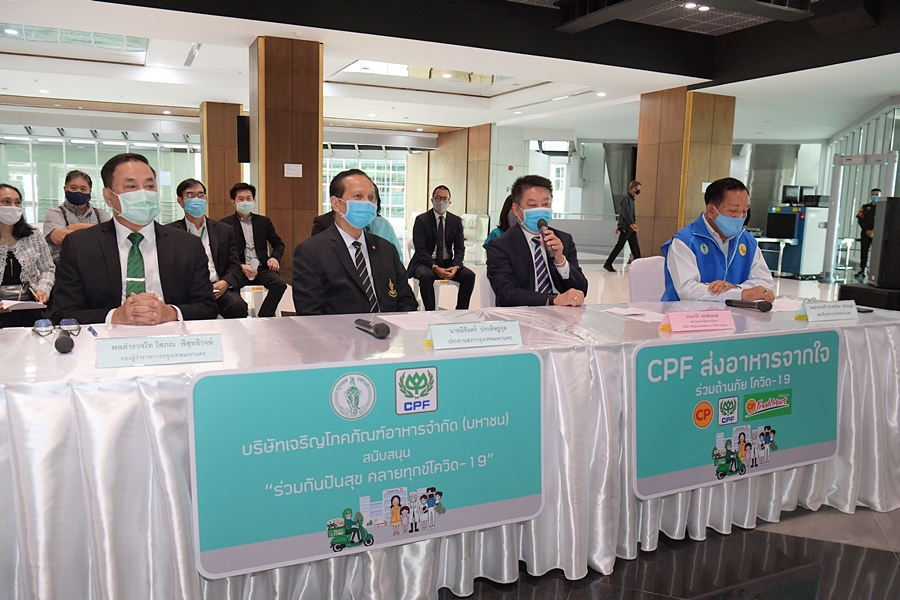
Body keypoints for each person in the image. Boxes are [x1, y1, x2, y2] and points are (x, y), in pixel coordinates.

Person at [50, 153, 217, 325]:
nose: (143, 194)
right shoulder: (80, 246)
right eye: (131, 186)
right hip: (108, 338)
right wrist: (115, 316)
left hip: (172, 338)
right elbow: (63, 313)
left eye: (149, 186)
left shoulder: (187, 245)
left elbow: (207, 307)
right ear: (108, 197)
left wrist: (171, 313)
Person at [292, 169, 417, 316]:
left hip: (389, 328)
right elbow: (310, 313)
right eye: (358, 196)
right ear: (336, 203)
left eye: (371, 197)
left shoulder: (386, 249)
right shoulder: (311, 252)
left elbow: (406, 300)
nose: (367, 203)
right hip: (340, 330)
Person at [661, 177, 775, 302]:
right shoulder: (685, 241)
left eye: (744, 211)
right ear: (711, 211)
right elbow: (688, 290)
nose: (740, 217)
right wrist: (740, 294)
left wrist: (736, 288)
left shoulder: (747, 241)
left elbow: (765, 282)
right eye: (733, 210)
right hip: (686, 312)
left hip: (734, 312)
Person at [485, 175, 588, 307]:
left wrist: (561, 261)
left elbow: (581, 290)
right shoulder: (500, 245)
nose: (540, 211)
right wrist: (552, 300)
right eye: (532, 205)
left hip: (562, 315)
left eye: (545, 204)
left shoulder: (563, 239)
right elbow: (506, 294)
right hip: (522, 314)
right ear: (516, 209)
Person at [166, 178, 248, 319]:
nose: (196, 199)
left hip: (218, 287)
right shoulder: (171, 232)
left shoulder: (224, 230)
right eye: (190, 195)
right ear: (180, 201)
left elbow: (234, 264)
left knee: (237, 305)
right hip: (188, 291)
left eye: (201, 195)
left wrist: (225, 283)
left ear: (206, 199)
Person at [220, 183, 287, 318]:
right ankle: (240, 319)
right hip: (238, 269)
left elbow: (278, 244)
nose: (245, 202)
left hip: (261, 268)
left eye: (248, 198)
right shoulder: (225, 224)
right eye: (241, 199)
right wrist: (240, 266)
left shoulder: (264, 222)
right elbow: (223, 253)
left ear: (254, 200)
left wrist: (274, 258)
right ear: (233, 202)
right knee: (233, 295)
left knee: (280, 284)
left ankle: (263, 318)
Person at [407, 185, 476, 311]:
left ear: (449, 202)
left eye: (445, 199)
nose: (441, 202)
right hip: (425, 262)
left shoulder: (456, 221)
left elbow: (460, 249)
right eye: (438, 198)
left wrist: (456, 266)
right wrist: (434, 267)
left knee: (469, 276)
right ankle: (431, 313)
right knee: (425, 276)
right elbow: (421, 250)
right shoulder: (421, 220)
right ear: (432, 200)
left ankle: (460, 313)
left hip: (447, 263)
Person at [0, 184, 55, 328]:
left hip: (29, 310)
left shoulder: (33, 235)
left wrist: (42, 290)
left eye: (17, 202)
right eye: (6, 201)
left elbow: (48, 269)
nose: (13, 207)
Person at [43, 170, 112, 264]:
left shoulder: (101, 214)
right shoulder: (55, 213)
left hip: (97, 265)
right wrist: (97, 231)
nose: (78, 191)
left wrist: (75, 227)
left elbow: (110, 237)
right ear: (65, 189)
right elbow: (59, 237)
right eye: (73, 188)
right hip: (65, 267)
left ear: (90, 191)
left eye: (83, 189)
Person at [603, 180, 642, 272]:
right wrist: (631, 224)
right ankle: (608, 264)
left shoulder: (630, 199)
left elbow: (624, 214)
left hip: (628, 228)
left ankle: (640, 265)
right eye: (638, 188)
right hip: (627, 227)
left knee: (635, 247)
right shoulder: (626, 198)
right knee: (619, 246)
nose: (638, 191)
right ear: (634, 188)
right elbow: (625, 212)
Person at [366, 186, 404, 260]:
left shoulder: (383, 225)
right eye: (358, 196)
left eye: (371, 197)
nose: (365, 202)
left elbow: (397, 258)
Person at [855, 188, 880, 279]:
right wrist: (866, 230)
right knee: (864, 252)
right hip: (865, 233)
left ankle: (875, 271)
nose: (875, 196)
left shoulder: (883, 208)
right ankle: (863, 269)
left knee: (877, 253)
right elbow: (860, 219)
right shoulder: (865, 207)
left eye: (877, 195)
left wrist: (875, 231)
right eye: (873, 194)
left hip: (878, 234)